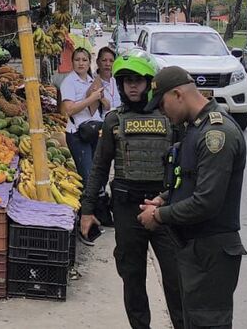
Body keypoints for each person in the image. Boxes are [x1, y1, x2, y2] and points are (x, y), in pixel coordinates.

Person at [79, 49, 185, 329]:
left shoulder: (171, 118)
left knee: (177, 280)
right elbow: (99, 168)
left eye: (138, 80)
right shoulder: (114, 120)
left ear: (150, 82)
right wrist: (87, 210)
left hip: (165, 209)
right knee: (132, 278)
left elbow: (188, 167)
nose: (133, 86)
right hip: (127, 209)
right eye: (127, 81)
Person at [139, 67, 247, 329]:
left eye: (162, 105)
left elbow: (206, 202)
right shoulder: (196, 127)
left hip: (211, 253)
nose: (162, 113)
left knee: (207, 323)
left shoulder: (216, 135)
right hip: (196, 250)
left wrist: (158, 216)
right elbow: (189, 179)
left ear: (177, 94)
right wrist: (166, 198)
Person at [62, 47, 105, 187]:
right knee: (87, 178)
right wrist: (91, 98)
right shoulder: (69, 82)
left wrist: (101, 98)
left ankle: (97, 205)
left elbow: (107, 106)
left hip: (95, 131)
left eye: (84, 60)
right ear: (72, 62)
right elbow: (69, 109)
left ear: (89, 63)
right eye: (77, 60)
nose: (81, 63)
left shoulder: (92, 81)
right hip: (78, 135)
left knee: (97, 175)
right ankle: (86, 207)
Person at [95, 47, 122, 112]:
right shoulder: (92, 82)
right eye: (104, 60)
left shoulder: (117, 81)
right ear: (97, 62)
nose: (108, 64)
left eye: (111, 61)